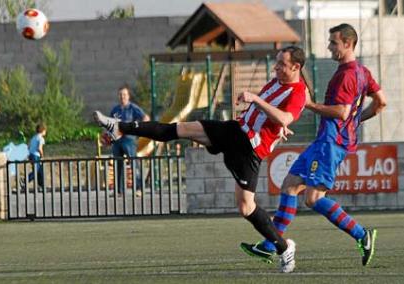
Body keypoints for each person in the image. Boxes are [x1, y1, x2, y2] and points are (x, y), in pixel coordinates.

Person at [93, 46, 308, 273]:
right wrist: (273, 121)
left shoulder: (299, 92)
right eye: (276, 62)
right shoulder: (276, 81)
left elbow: (284, 116)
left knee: (246, 207)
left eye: (282, 64)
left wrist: (256, 100)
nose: (276, 67)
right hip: (236, 131)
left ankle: (284, 247)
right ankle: (119, 128)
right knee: (179, 129)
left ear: (296, 67)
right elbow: (273, 116)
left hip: (249, 150)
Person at [244, 23, 387, 267]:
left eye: (334, 42)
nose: (330, 46)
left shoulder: (346, 75)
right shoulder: (362, 72)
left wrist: (309, 105)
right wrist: (355, 120)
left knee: (312, 197)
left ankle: (362, 234)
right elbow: (380, 102)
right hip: (327, 141)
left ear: (348, 44)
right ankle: (271, 245)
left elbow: (341, 112)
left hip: (330, 143)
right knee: (289, 186)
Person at [108, 85, 149, 195]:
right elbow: (109, 124)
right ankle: (119, 191)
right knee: (118, 164)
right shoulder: (115, 110)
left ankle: (139, 189)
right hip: (117, 141)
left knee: (133, 163)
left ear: (128, 96)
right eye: (121, 94)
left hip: (129, 140)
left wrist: (139, 128)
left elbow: (145, 118)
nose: (122, 97)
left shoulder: (133, 108)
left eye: (124, 94)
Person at [21, 123, 47, 189]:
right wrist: (42, 155)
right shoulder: (41, 138)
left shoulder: (33, 137)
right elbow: (39, 148)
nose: (45, 132)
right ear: (43, 130)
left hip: (31, 155)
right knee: (36, 170)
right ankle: (25, 180)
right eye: (45, 131)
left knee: (40, 170)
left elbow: (28, 146)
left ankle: (41, 185)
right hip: (36, 155)